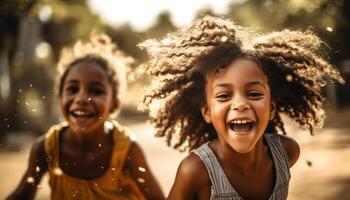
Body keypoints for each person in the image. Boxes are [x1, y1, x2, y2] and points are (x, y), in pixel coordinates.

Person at [138, 16, 344, 199]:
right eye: (224, 95)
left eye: (254, 94)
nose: (240, 104)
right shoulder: (195, 171)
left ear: (271, 108)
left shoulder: (287, 152)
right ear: (207, 112)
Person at [7, 34, 165, 200]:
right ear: (60, 97)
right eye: (73, 89)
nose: (81, 98)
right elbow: (22, 195)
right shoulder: (46, 148)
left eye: (96, 91)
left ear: (114, 104)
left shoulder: (126, 150)